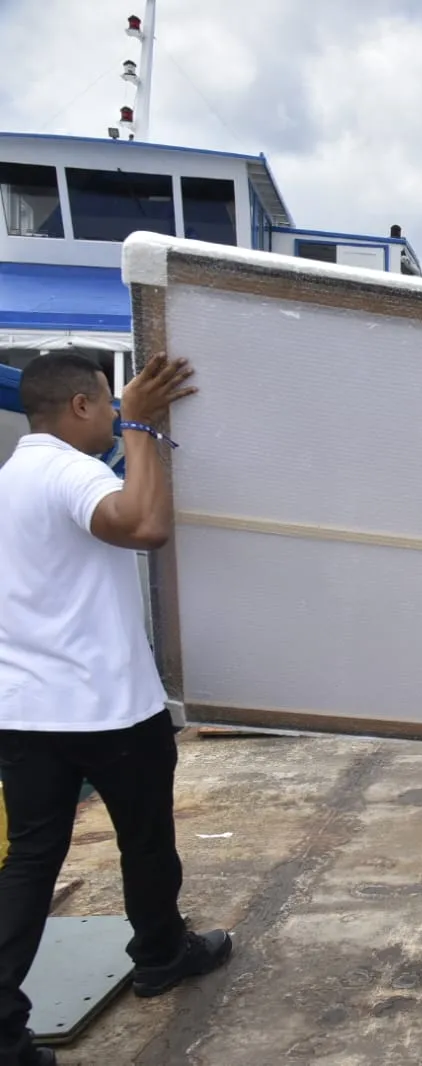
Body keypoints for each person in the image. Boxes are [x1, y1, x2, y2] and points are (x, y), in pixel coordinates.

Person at [0, 353, 233, 1066]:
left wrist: (134, 430)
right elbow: (141, 526)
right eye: (104, 405)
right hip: (103, 706)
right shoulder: (70, 471)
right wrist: (139, 425)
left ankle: (4, 1028)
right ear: (79, 406)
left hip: (24, 709)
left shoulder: (10, 476)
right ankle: (161, 952)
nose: (109, 418)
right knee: (144, 837)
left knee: (33, 857)